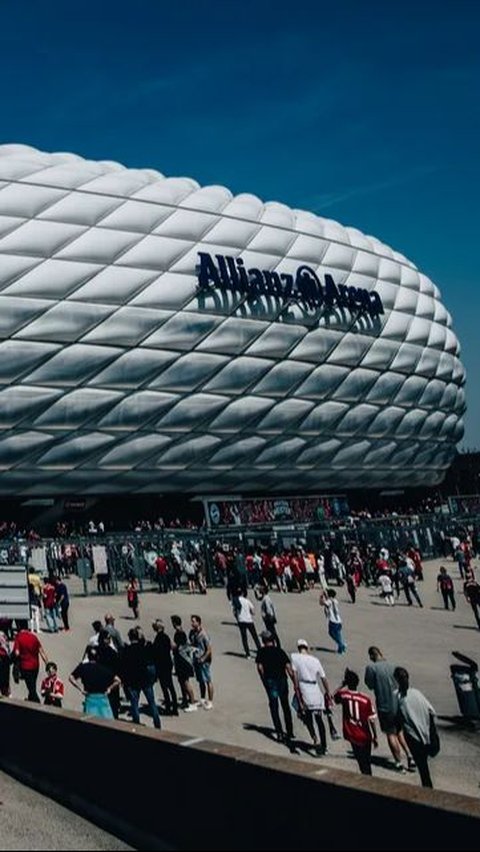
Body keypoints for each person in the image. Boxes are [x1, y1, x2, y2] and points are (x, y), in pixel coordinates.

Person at [364, 646, 415, 773]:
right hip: (397, 704)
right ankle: (410, 756)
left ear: (371, 656)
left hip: (384, 706)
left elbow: (369, 685)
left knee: (391, 734)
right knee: (399, 731)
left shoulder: (371, 668)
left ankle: (398, 763)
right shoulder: (394, 666)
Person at [394, 667, 437, 788]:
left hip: (413, 738)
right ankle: (428, 787)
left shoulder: (397, 697)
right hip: (425, 735)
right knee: (424, 769)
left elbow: (397, 717)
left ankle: (428, 790)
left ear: (396, 680)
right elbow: (431, 712)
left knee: (423, 769)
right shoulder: (417, 693)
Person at [256, 631, 298, 748]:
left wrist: (264, 680)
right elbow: (289, 668)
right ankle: (289, 732)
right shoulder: (280, 651)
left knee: (274, 706)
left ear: (264, 641)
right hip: (282, 681)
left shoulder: (261, 652)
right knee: (285, 705)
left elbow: (260, 668)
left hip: (271, 681)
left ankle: (279, 732)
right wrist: (295, 683)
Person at [334, 669, 378, 776]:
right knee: (367, 762)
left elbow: (333, 697)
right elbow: (371, 719)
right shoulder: (365, 699)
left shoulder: (343, 695)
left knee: (360, 761)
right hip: (365, 735)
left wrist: (341, 685)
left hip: (352, 734)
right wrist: (375, 736)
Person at [291, 639, 330, 755]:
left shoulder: (294, 657)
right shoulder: (315, 660)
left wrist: (297, 691)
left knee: (307, 717)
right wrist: (328, 692)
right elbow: (323, 678)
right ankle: (324, 744)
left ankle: (314, 737)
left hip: (304, 687)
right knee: (319, 719)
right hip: (315, 688)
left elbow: (294, 676)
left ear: (299, 648)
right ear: (307, 648)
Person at [122, 627, 161, 729]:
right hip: (145, 679)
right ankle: (157, 723)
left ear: (130, 638)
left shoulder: (127, 650)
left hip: (133, 680)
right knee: (152, 702)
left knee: (134, 704)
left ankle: (137, 724)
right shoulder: (143, 648)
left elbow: (124, 667)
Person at [70, 646, 120, 719]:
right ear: (97, 657)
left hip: (90, 697)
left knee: (90, 721)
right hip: (103, 698)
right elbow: (118, 680)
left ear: (88, 656)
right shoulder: (103, 668)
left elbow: (71, 678)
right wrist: (109, 688)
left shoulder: (83, 667)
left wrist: (80, 689)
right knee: (107, 721)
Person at [13, 625, 48, 703]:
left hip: (25, 667)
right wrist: (47, 663)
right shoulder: (34, 637)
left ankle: (36, 703)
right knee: (32, 685)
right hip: (35, 666)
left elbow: (16, 653)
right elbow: (41, 651)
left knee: (31, 688)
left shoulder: (19, 637)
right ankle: (31, 699)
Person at [152, 619, 178, 715]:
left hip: (161, 665)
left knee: (164, 687)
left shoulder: (158, 638)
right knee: (171, 686)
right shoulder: (166, 637)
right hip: (168, 663)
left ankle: (168, 707)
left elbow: (156, 653)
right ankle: (174, 707)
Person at [171, 616, 197, 712]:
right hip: (179, 660)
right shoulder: (179, 632)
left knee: (186, 682)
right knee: (181, 682)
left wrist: (173, 646)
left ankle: (192, 702)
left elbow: (180, 647)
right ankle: (185, 700)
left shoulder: (180, 634)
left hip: (182, 661)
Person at [96, 629, 122, 718]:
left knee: (112, 706)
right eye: (107, 638)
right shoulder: (108, 652)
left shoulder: (108, 652)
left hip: (110, 682)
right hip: (104, 682)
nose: (109, 640)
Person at [189, 615, 214, 710]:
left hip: (204, 661)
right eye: (191, 621)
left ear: (199, 623)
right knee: (200, 680)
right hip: (196, 660)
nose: (192, 623)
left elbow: (209, 649)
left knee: (208, 680)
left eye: (193, 621)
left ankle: (210, 701)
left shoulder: (204, 634)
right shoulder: (192, 633)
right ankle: (203, 698)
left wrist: (203, 658)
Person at [233, 590, 261, 658]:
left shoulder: (236, 601)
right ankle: (260, 650)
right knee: (255, 636)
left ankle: (247, 653)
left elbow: (235, 611)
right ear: (242, 593)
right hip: (249, 620)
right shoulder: (247, 601)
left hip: (241, 620)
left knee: (244, 637)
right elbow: (253, 611)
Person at [320, 588, 347, 654]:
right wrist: (326, 595)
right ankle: (341, 647)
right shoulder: (335, 600)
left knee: (331, 633)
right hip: (339, 621)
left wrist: (321, 596)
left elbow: (322, 603)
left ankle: (341, 645)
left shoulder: (329, 601)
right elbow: (328, 601)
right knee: (338, 634)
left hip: (333, 621)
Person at [27, 567, 43, 634]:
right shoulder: (37, 577)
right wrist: (41, 593)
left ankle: (32, 630)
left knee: (31, 617)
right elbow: (40, 586)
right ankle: (38, 629)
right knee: (37, 616)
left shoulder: (28, 577)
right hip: (36, 594)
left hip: (29, 596)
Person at [0, 630, 11, 697]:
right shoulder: (3, 634)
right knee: (5, 680)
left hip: (2, 659)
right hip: (5, 659)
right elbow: (7, 648)